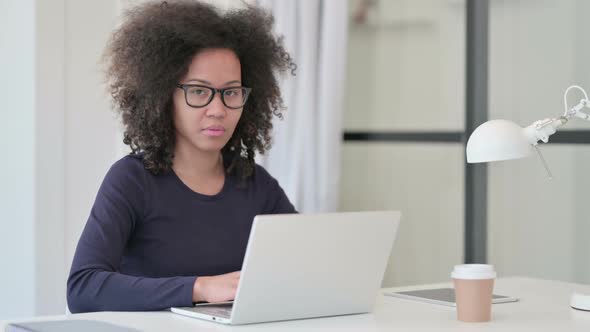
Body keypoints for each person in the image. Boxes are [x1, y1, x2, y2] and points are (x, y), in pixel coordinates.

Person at [66, 0, 296, 313]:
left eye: (231, 92)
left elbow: (303, 267)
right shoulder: (132, 180)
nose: (218, 109)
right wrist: (200, 287)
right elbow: (83, 288)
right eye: (199, 91)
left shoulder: (256, 184)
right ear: (163, 97)